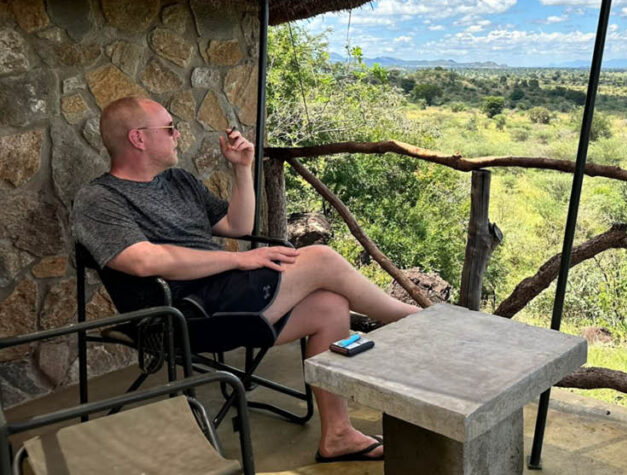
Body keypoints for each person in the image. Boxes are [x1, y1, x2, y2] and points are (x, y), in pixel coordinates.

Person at [73, 96, 419, 463]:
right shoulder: (100, 199)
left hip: (220, 296)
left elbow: (238, 226)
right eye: (170, 128)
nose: (178, 135)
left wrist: (242, 169)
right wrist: (237, 261)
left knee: (329, 306)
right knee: (321, 259)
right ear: (138, 138)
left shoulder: (178, 181)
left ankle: (337, 436)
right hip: (179, 315)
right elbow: (143, 260)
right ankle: (414, 321)